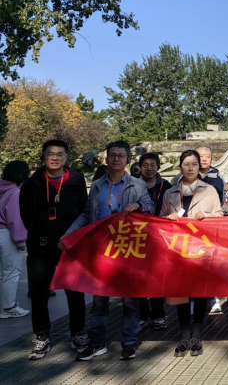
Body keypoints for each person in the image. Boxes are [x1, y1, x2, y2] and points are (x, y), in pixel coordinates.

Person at [62, 140, 154, 361]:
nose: (116, 159)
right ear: (107, 158)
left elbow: (151, 209)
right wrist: (69, 234)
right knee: (99, 300)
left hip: (128, 249)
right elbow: (87, 214)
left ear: (127, 159)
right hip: (102, 250)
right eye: (112, 155)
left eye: (121, 155)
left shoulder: (137, 185)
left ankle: (129, 343)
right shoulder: (97, 185)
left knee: (130, 300)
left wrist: (139, 206)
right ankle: (97, 343)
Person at [19, 140, 88, 360]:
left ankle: (78, 333)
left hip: (70, 244)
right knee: (38, 292)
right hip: (40, 245)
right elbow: (25, 213)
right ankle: (41, 336)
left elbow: (83, 210)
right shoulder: (33, 182)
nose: (55, 157)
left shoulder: (76, 180)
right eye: (50, 153)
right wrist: (39, 231)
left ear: (66, 157)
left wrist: (72, 236)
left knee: (75, 291)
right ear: (43, 157)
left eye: (60, 154)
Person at [162, 150, 223, 357]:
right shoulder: (170, 192)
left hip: (201, 249)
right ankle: (184, 336)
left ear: (200, 167)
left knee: (200, 293)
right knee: (180, 293)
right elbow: (160, 219)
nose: (190, 168)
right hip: (178, 250)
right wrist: (168, 217)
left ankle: (196, 336)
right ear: (180, 166)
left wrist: (205, 215)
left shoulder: (210, 190)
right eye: (186, 164)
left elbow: (219, 215)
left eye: (194, 164)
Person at [137, 152, 172, 331]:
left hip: (160, 237)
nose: (149, 168)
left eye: (153, 165)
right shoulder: (133, 185)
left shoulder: (167, 186)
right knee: (138, 277)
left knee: (158, 276)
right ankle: (143, 315)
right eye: (145, 165)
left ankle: (158, 314)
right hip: (138, 236)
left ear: (158, 167)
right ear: (140, 167)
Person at [1, 161, 29, 320]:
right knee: (11, 272)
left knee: (1, 272)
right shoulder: (14, 192)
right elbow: (14, 220)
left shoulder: (2, 188)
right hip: (6, 234)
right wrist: (20, 241)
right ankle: (8, 307)